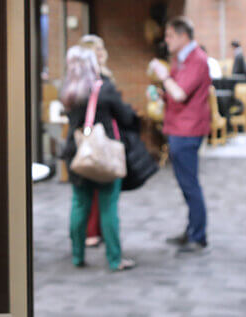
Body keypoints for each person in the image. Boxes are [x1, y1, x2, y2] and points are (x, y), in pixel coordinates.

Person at [60, 46, 137, 272]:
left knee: (79, 204)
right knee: (108, 206)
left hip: (76, 154)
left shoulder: (67, 91)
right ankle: (114, 259)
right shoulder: (104, 89)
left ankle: (77, 256)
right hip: (103, 154)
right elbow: (125, 116)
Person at [148, 17, 211, 254]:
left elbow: (181, 94)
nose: (166, 41)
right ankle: (193, 229)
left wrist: (164, 76)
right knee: (186, 185)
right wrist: (161, 93)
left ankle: (198, 235)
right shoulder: (181, 60)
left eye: (169, 36)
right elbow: (174, 92)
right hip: (177, 127)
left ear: (183, 36)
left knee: (190, 184)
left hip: (187, 129)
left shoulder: (196, 60)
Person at [78, 34, 112, 248]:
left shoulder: (103, 76)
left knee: (98, 191)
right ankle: (90, 233)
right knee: (88, 192)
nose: (101, 54)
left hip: (99, 138)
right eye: (96, 50)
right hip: (92, 140)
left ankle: (94, 232)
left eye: (102, 49)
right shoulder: (92, 80)